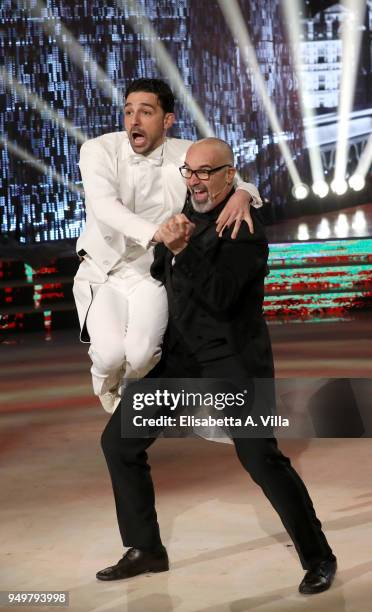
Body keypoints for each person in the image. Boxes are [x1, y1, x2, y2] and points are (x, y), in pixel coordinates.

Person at [98, 138, 337, 595]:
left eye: (206, 172)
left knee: (261, 459)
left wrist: (182, 250)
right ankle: (145, 548)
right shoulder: (185, 217)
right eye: (190, 172)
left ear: (231, 175)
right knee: (119, 443)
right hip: (179, 361)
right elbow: (161, 277)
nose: (195, 180)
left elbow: (222, 297)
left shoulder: (244, 225)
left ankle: (319, 557)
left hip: (231, 363)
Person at [73, 78, 262, 413]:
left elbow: (228, 172)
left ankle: (134, 400)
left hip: (152, 272)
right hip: (105, 271)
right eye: (129, 111)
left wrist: (245, 193)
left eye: (145, 112)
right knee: (109, 354)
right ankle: (105, 383)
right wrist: (159, 232)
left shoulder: (183, 154)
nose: (134, 120)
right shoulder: (97, 150)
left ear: (167, 120)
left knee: (143, 353)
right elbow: (104, 206)